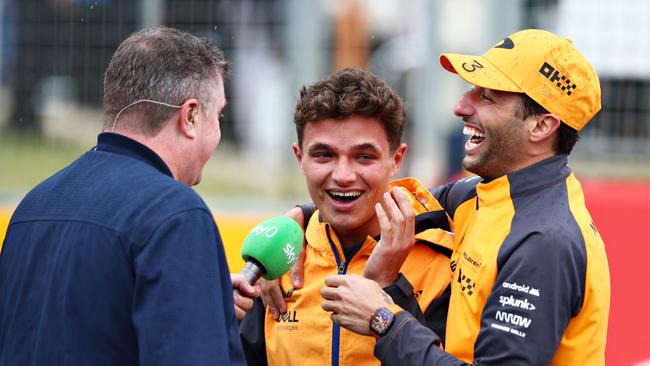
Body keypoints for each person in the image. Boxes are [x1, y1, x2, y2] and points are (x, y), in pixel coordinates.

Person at [318, 29, 611, 365]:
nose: (461, 106)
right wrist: (299, 224)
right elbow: (376, 203)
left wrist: (384, 321)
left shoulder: (544, 242)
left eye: (487, 97)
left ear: (541, 126)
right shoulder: (486, 193)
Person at [0, 27, 256, 366]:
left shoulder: (33, 206)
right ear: (191, 116)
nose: (219, 132)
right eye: (218, 116)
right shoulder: (175, 214)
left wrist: (201, 296)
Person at [239, 68, 455, 366]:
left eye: (364, 157)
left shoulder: (445, 263)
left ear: (397, 159)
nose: (342, 176)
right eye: (324, 155)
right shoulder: (278, 260)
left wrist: (391, 293)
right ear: (299, 157)